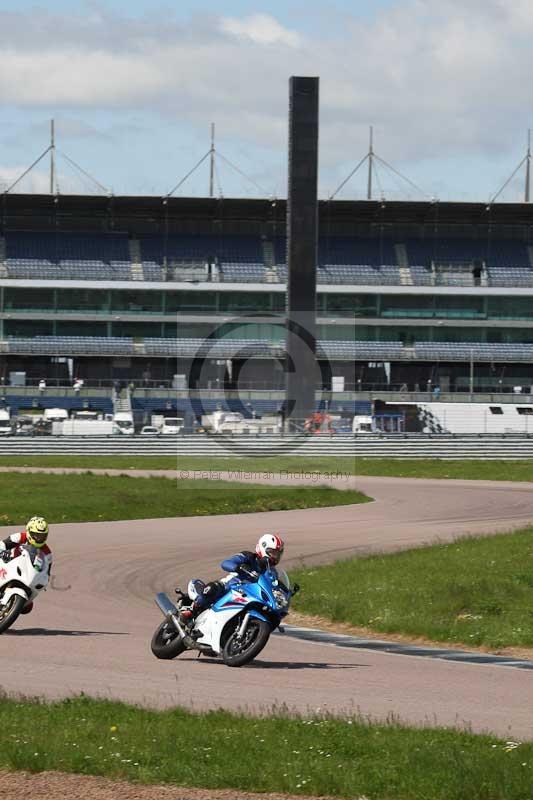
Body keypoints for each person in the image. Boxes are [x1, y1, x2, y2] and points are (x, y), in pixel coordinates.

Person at [179, 533, 285, 625]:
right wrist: (238, 567)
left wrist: (284, 591)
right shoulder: (248, 556)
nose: (275, 557)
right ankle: (191, 611)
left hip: (249, 596)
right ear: (263, 548)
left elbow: (274, 585)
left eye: (278, 554)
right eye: (273, 553)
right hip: (229, 587)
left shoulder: (271, 572)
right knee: (213, 588)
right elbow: (226, 563)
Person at [0, 517, 52, 614]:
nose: (38, 538)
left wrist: (45, 579)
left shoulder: (47, 553)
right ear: (29, 531)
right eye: (36, 535)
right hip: (8, 562)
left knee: (27, 607)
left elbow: (47, 570)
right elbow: (2, 545)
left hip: (26, 573)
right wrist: (3, 552)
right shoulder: (19, 537)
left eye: (42, 536)